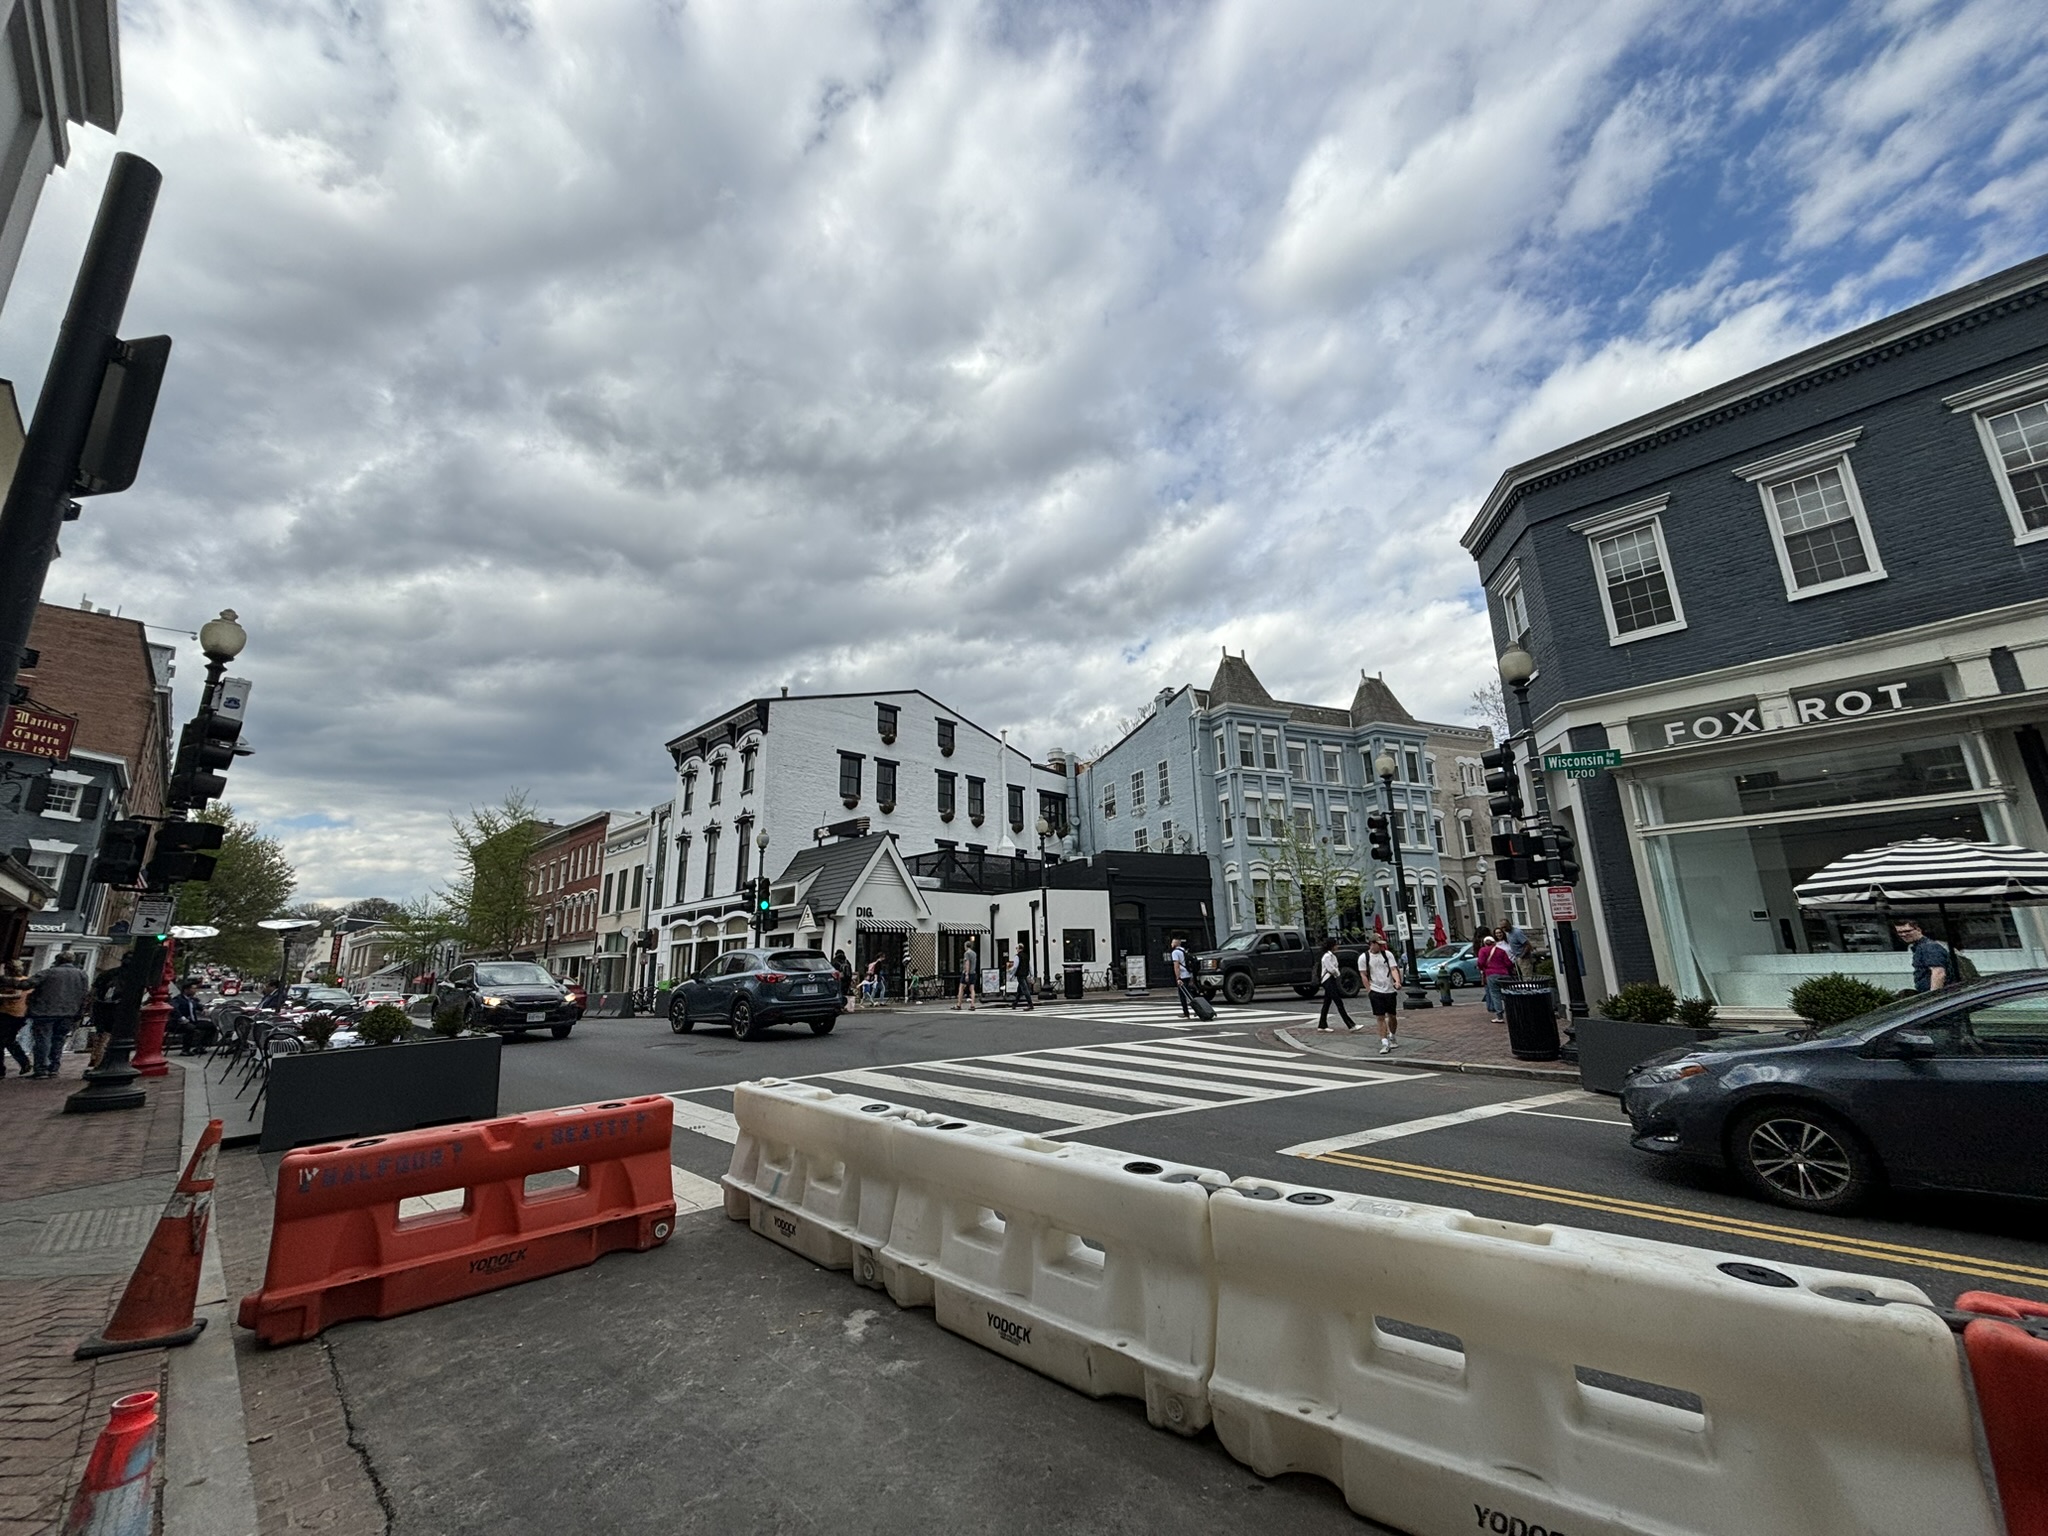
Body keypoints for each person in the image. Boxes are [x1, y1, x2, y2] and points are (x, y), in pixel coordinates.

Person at [25, 951, 88, 1079]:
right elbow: (84, 995)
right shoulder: (81, 975)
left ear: (57, 960)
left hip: (45, 1011)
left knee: (43, 1039)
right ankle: (54, 1067)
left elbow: (27, 984)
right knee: (59, 1040)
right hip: (69, 1012)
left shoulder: (49, 972)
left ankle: (41, 1068)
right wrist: (79, 1012)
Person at [1361, 935, 1402, 1054]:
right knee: (1380, 1017)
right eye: (1378, 944)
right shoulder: (1364, 957)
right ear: (1372, 944)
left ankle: (1392, 1035)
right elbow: (1363, 974)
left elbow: (1393, 969)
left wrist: (1397, 981)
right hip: (1376, 989)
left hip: (1389, 989)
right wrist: (1369, 990)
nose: (1380, 946)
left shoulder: (1387, 954)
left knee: (1392, 1015)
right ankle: (1384, 1042)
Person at [1894, 919, 1952, 992]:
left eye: (1907, 931)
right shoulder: (1920, 947)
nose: (1903, 935)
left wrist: (1933, 996)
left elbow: (1939, 973)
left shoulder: (1928, 947)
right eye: (1900, 932)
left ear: (1918, 930)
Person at [1315, 938, 1357, 1032]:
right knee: (1338, 1002)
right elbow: (1331, 969)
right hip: (1328, 980)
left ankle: (1322, 1025)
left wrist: (1336, 973)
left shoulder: (1332, 956)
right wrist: (1338, 973)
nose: (1337, 946)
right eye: (1336, 945)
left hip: (1331, 979)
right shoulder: (1327, 957)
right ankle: (1351, 1025)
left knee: (1327, 1003)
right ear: (1332, 946)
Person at [0, 959, 30, 1077]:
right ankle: (24, 1062)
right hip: (18, 1014)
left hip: (11, 1014)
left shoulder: (19, 982)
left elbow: (17, 995)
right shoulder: (27, 980)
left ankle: (1, 1070)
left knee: (2, 1041)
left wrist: (2, 995)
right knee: (9, 1040)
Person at [170, 978, 215, 1054]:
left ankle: (201, 1046)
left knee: (211, 1026)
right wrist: (182, 1018)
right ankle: (185, 1050)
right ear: (186, 990)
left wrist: (204, 1008)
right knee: (190, 1028)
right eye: (193, 989)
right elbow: (174, 1010)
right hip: (180, 1023)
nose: (195, 990)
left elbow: (198, 1005)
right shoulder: (178, 999)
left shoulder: (191, 1000)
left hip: (193, 1021)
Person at [1479, 930, 1514, 1021]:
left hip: (1491, 974)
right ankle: (1511, 1012)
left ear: (1485, 943)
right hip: (1504, 973)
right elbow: (1509, 963)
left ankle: (1499, 1016)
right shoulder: (1501, 951)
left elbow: (1480, 962)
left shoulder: (1483, 950)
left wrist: (1483, 968)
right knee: (1508, 993)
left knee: (1495, 994)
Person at [1168, 935, 1194, 1020]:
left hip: (1182, 975)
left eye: (1172, 942)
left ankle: (1186, 1013)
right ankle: (1197, 1009)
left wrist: (1178, 978)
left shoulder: (1175, 952)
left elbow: (1176, 966)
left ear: (1175, 944)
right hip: (1188, 974)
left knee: (1182, 996)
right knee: (1189, 994)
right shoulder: (1184, 951)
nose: (1171, 944)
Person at [953, 943, 979, 1011]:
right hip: (973, 972)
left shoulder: (967, 953)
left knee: (961, 988)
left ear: (966, 946)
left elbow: (967, 963)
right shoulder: (974, 953)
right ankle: (972, 1005)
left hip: (967, 973)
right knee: (972, 989)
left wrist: (966, 974)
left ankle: (959, 1004)